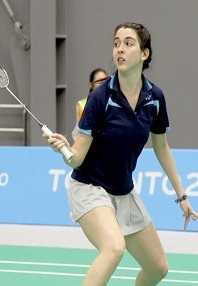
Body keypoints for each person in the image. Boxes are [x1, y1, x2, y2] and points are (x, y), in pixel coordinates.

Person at [44, 22, 197, 285]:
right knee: (114, 248)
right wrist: (63, 149)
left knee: (158, 267)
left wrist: (181, 195)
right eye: (116, 43)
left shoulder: (155, 98)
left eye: (128, 43)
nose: (120, 49)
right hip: (90, 187)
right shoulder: (101, 97)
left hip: (123, 192)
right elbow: (76, 157)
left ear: (145, 53)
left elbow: (162, 148)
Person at [71, 68, 108, 141]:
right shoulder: (82, 105)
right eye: (99, 82)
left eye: (106, 81)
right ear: (91, 85)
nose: (103, 84)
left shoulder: (114, 103)